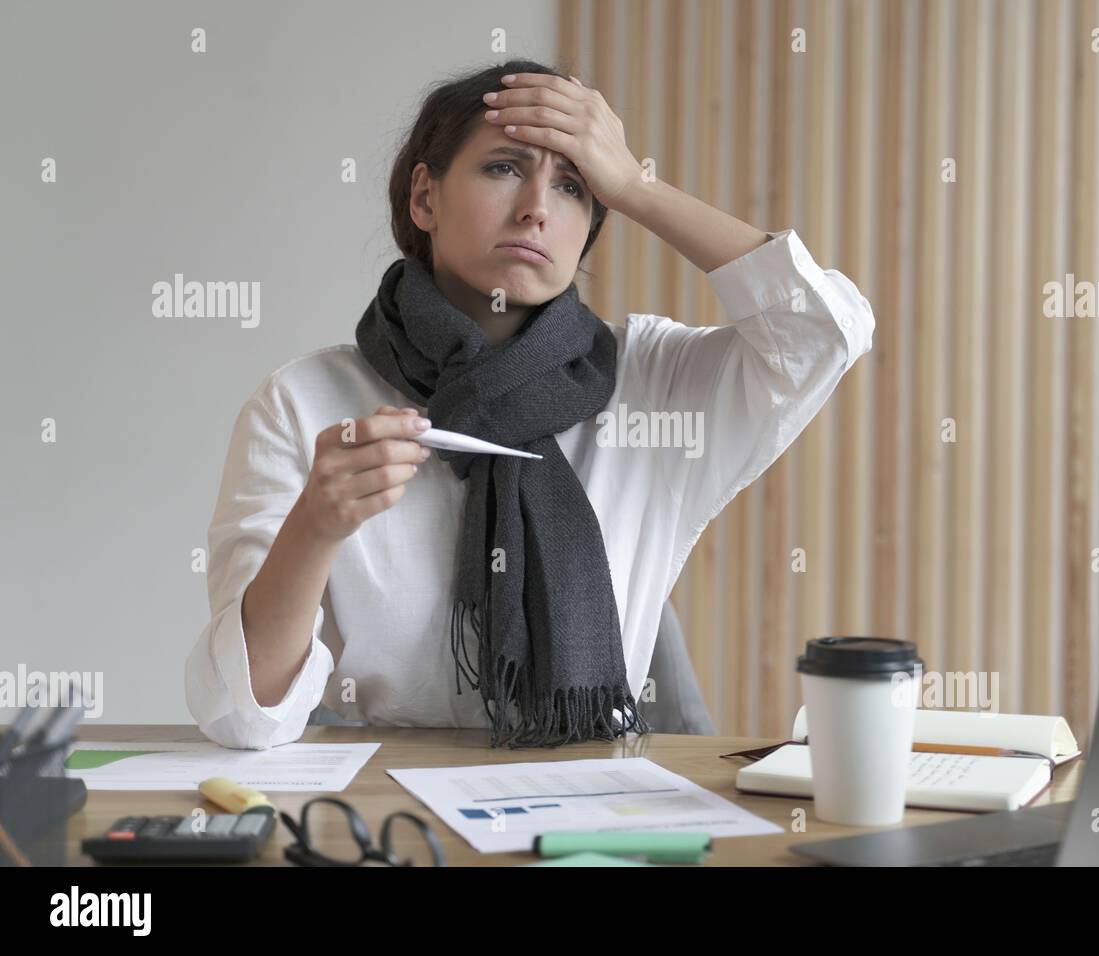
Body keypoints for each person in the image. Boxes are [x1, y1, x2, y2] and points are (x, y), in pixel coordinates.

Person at [185, 58, 875, 749]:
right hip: (386, 802)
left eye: (573, 185)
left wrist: (636, 186)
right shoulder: (306, 405)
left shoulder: (653, 384)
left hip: (594, 801)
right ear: (425, 197)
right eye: (504, 168)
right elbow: (243, 716)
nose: (536, 208)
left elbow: (822, 336)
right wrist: (314, 527)